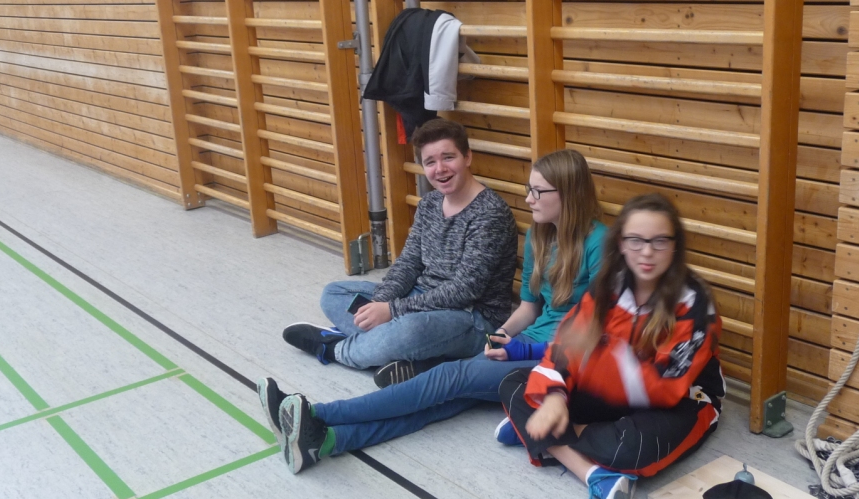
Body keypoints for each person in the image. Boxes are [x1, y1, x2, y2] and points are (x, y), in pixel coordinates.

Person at [258, 149, 608, 475]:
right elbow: (530, 307)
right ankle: (325, 441)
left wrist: (521, 352)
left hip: (559, 362)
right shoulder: (539, 235)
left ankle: (316, 413)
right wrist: (500, 337)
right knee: (443, 401)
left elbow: (599, 332)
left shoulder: (601, 243)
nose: (529, 199)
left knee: (448, 379)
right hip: (526, 343)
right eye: (529, 189)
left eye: (538, 192)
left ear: (568, 193)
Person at [498, 193, 725, 499]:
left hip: (680, 400)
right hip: (611, 394)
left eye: (660, 241)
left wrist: (603, 352)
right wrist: (555, 398)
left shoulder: (696, 304)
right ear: (621, 243)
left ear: (675, 246)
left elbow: (662, 389)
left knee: (631, 447)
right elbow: (563, 350)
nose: (647, 252)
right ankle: (594, 474)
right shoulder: (607, 286)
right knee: (515, 382)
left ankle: (541, 435)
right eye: (636, 240)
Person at [282, 118, 518, 371]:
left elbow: (464, 291)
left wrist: (392, 311)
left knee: (410, 330)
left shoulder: (490, 214)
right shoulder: (429, 203)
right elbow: (408, 263)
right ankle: (402, 353)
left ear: (467, 157)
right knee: (334, 293)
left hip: (472, 318)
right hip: (419, 299)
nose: (440, 169)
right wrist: (378, 305)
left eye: (448, 157)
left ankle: (335, 349)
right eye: (430, 162)